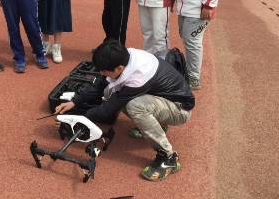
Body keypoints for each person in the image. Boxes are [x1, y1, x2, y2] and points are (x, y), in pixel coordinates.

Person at [55, 40, 195, 181]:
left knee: (134, 106)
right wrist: (74, 102)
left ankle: (168, 158)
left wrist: (76, 118)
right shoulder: (122, 57)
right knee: (112, 92)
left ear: (119, 68)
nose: (101, 73)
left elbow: (108, 109)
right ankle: (158, 124)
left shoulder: (138, 76)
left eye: (104, 70)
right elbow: (101, 84)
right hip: (161, 98)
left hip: (179, 109)